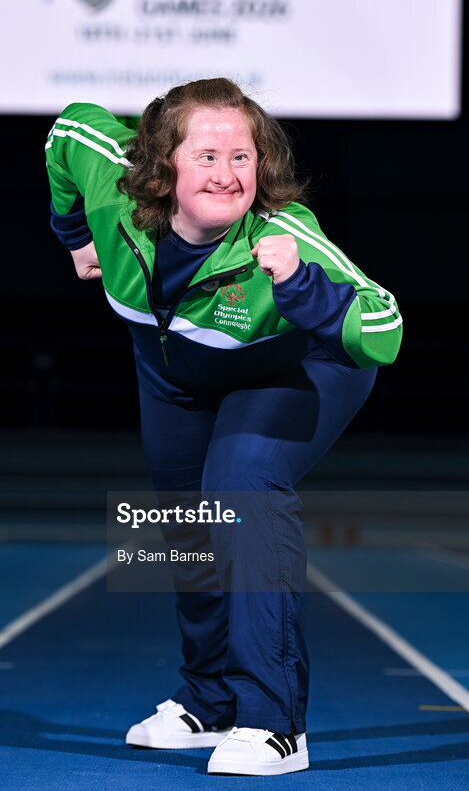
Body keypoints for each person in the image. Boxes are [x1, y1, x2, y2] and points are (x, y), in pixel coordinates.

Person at [45, 77, 402, 776]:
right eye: (207, 155)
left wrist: (300, 288)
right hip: (175, 373)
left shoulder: (281, 234)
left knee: (239, 485)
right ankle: (209, 702)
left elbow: (385, 328)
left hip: (292, 369)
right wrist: (76, 232)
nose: (228, 173)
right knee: (185, 522)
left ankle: (275, 723)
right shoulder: (112, 185)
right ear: (162, 163)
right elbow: (68, 130)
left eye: (242, 157)